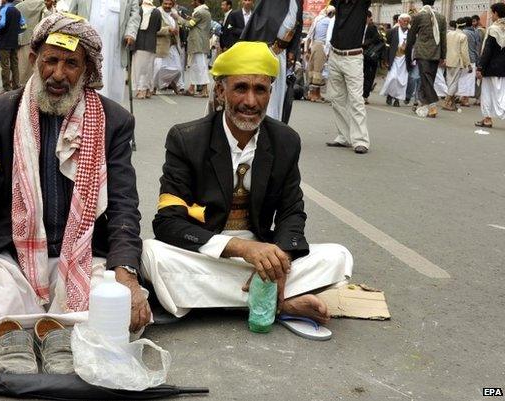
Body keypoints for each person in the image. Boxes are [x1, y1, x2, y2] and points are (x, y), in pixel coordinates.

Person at [0, 15, 150, 364]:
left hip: (82, 257)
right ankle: (61, 330)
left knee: (129, 318)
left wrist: (126, 276)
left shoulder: (114, 121)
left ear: (87, 69)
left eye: (71, 64)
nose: (59, 75)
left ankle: (20, 331)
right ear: (34, 60)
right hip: (14, 259)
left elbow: (124, 205)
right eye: (51, 60)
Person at [141, 41, 352, 323]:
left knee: (339, 257)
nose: (250, 102)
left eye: (260, 90)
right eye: (241, 88)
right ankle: (278, 301)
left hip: (263, 255)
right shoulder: (186, 139)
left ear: (269, 94)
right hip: (208, 252)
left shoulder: (285, 141)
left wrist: (280, 260)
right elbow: (167, 221)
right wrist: (242, 249)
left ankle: (238, 297)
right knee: (151, 254)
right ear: (220, 91)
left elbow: (292, 212)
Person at [66, 0, 141, 103]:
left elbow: (134, 13)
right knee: (85, 79)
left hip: (116, 47)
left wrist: (131, 32)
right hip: (86, 44)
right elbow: (71, 14)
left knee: (113, 86)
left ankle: (111, 115)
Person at [241, 0, 303, 121]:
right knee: (262, 91)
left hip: (282, 55)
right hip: (265, 52)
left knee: (277, 94)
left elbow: (298, 26)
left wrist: (292, 50)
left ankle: (273, 127)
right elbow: (258, 23)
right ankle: (259, 126)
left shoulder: (298, 2)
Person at [325, 0, 371, 155]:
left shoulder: (361, 3)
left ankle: (360, 140)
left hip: (353, 57)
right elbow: (330, 7)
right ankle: (345, 136)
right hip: (334, 54)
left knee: (356, 99)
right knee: (336, 99)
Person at [405, 0, 447, 118]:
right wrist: (443, 55)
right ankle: (424, 104)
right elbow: (443, 38)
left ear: (422, 2)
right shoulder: (441, 17)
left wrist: (408, 54)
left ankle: (432, 106)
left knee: (426, 79)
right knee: (429, 80)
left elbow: (411, 36)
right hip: (436, 53)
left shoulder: (418, 16)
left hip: (422, 53)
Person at [475, 3, 505, 129]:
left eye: (492, 13)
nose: (491, 16)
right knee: (501, 94)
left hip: (491, 68)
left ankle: (487, 119)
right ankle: (486, 119)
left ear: (496, 13)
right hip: (503, 69)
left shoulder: (493, 29)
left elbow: (487, 51)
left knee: (488, 94)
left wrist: (480, 67)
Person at [132, 0, 161, 99]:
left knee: (139, 69)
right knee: (149, 68)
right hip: (151, 43)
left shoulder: (139, 10)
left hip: (139, 43)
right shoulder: (157, 12)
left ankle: (142, 90)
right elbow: (158, 27)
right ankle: (148, 89)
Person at [380, 13, 411, 107]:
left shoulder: (411, 33)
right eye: (404, 21)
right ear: (399, 21)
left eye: (407, 21)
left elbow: (413, 47)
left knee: (401, 80)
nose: (405, 23)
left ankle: (397, 99)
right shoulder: (392, 32)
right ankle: (390, 94)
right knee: (392, 78)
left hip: (404, 59)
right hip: (394, 58)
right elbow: (387, 47)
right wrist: (385, 59)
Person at [305, 5, 334, 102]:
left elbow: (309, 35)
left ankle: (317, 94)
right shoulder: (328, 21)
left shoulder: (318, 19)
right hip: (322, 47)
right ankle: (314, 95)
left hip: (314, 46)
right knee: (318, 71)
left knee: (313, 70)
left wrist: (307, 49)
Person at [153, 0, 183, 94]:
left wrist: (177, 17)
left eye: (170, 4)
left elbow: (184, 23)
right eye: (165, 4)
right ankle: (152, 86)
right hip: (161, 45)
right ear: (161, 3)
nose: (167, 6)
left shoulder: (174, 13)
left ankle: (171, 82)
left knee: (178, 69)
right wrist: (168, 29)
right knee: (158, 68)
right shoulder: (157, 12)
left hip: (173, 45)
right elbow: (154, 30)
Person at [0, 0, 24, 95]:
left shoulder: (4, 9)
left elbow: (2, 24)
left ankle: (6, 87)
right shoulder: (17, 11)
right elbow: (24, 25)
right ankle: (16, 85)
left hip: (4, 41)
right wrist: (16, 31)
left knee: (5, 65)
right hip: (14, 41)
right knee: (15, 64)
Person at [15, 0, 47, 85]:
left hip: (22, 38)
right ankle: (33, 85)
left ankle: (22, 86)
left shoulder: (18, 6)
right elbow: (47, 16)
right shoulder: (41, 4)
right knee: (34, 64)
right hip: (37, 39)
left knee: (22, 65)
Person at [184, 0, 211, 97]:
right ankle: (192, 88)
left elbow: (189, 25)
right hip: (201, 43)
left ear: (197, 1)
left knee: (200, 66)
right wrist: (190, 18)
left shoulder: (199, 12)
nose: (191, 2)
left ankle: (204, 90)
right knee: (195, 66)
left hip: (197, 43)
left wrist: (178, 17)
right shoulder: (205, 11)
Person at [442, 18, 470, 112]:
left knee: (450, 81)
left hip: (449, 60)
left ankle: (452, 104)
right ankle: (446, 102)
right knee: (454, 83)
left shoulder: (449, 34)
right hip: (457, 62)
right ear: (464, 26)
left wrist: (444, 58)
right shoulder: (463, 36)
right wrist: (468, 64)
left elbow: (445, 47)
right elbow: (464, 52)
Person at [459, 16, 481, 107]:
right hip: (473, 58)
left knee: (463, 79)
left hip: (464, 59)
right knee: (469, 80)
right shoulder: (475, 32)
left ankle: (464, 99)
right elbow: (477, 47)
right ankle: (465, 98)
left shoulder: (463, 33)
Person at [362, 10, 383, 104]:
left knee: (369, 76)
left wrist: (364, 43)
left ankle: (365, 95)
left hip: (370, 56)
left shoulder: (372, 27)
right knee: (361, 75)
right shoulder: (359, 27)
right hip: (361, 55)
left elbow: (377, 39)